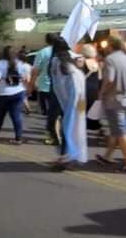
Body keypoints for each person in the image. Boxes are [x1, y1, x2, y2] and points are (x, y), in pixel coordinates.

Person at [95, 36, 126, 174]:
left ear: (111, 46)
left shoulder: (110, 59)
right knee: (117, 129)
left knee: (120, 131)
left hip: (114, 99)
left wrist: (101, 93)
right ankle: (107, 156)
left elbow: (109, 79)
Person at [50, 38, 87, 170]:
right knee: (78, 125)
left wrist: (64, 102)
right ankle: (74, 156)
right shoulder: (72, 59)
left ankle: (69, 156)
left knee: (69, 126)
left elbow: (58, 84)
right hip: (81, 97)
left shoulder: (56, 61)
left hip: (71, 98)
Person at [0, 46, 30, 144]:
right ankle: (18, 138)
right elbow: (26, 79)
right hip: (18, 92)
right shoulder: (20, 63)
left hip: (2, 93)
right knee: (16, 116)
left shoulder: (0, 63)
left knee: (0, 116)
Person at [31, 33, 61, 145]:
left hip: (45, 87)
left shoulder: (43, 52)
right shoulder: (65, 51)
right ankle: (58, 134)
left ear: (46, 40)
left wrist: (31, 84)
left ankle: (54, 136)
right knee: (59, 113)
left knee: (51, 114)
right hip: (61, 87)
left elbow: (35, 71)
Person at [81, 44, 102, 132]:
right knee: (92, 110)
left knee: (81, 110)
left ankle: (81, 126)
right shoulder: (96, 63)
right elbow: (100, 77)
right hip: (94, 89)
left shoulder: (82, 62)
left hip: (83, 89)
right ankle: (94, 125)